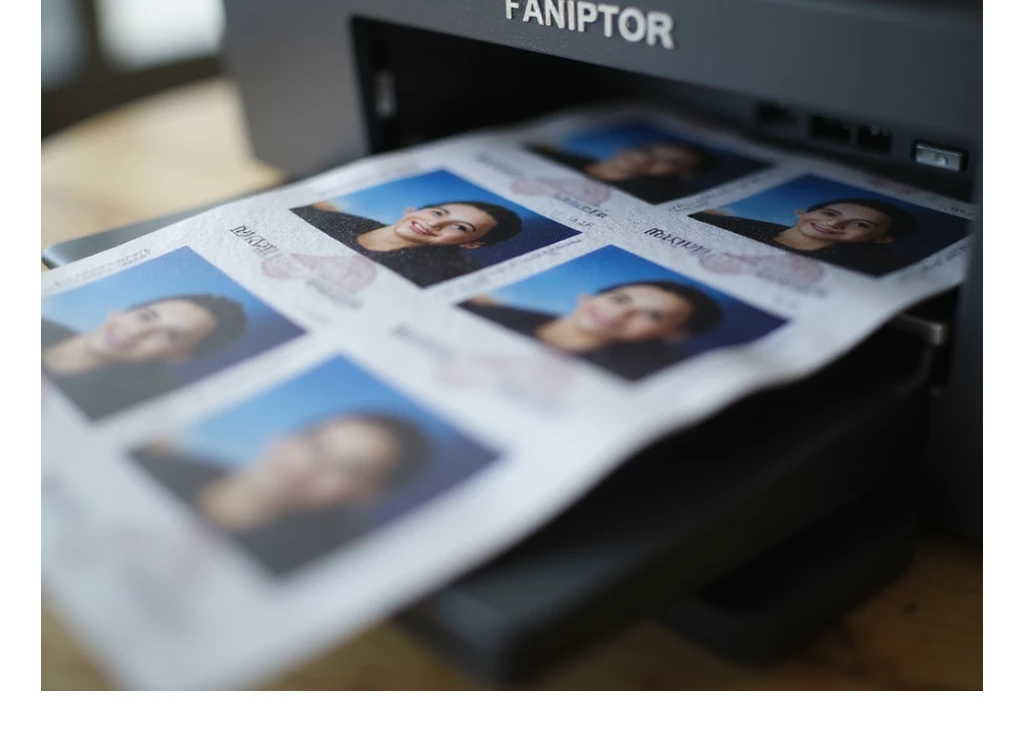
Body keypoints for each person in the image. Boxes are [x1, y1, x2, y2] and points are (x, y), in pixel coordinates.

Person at [133, 412, 432, 575]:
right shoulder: (159, 462)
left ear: (367, 496)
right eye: (313, 443)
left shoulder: (303, 568)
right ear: (280, 438)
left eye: (346, 468)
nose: (307, 465)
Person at [461, 280, 723, 381]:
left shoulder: (630, 375)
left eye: (652, 315)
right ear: (588, 297)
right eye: (619, 299)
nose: (619, 313)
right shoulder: (483, 311)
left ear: (674, 334)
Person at [42, 294, 247, 420]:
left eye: (170, 335)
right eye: (145, 316)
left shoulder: (113, 411)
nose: (134, 333)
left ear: (178, 356)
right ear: (119, 313)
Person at [292, 199, 524, 287]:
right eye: (437, 213)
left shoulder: (432, 275)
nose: (436, 224)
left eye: (460, 227)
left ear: (472, 244)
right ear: (413, 209)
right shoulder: (324, 218)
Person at [690, 197, 918, 276]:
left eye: (860, 224)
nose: (833, 223)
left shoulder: (868, 265)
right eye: (829, 213)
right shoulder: (735, 225)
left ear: (883, 239)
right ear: (802, 213)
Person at [526, 138, 720, 204]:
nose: (645, 158)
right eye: (647, 150)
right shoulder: (555, 157)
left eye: (671, 160)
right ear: (623, 149)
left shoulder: (645, 195)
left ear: (684, 174)